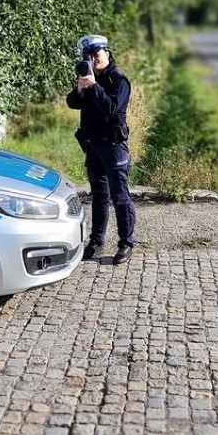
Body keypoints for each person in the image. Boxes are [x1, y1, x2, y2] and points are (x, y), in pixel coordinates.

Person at [66, 34, 136, 265]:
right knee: (99, 195)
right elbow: (73, 103)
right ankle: (96, 242)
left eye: (97, 54)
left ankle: (126, 243)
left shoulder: (119, 80)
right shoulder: (88, 76)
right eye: (89, 56)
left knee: (119, 196)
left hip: (113, 146)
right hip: (93, 146)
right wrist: (80, 87)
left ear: (107, 52)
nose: (93, 60)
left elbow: (112, 108)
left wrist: (94, 86)